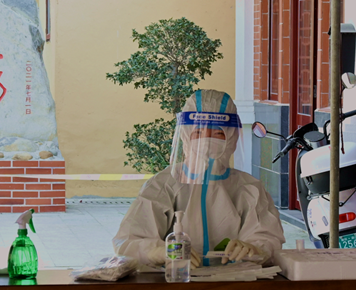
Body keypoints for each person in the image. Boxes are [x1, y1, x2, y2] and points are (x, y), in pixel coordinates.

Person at [112, 89, 284, 268]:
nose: (207, 142)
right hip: (175, 279)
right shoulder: (162, 185)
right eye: (199, 133)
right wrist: (158, 251)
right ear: (185, 136)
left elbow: (268, 237)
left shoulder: (250, 188)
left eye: (218, 134)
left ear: (232, 138)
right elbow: (128, 242)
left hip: (233, 280)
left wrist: (255, 248)